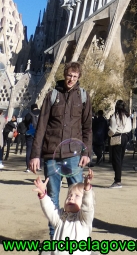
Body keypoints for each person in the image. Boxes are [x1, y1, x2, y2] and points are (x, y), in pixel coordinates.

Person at [29, 62, 92, 237]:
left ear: (78, 77)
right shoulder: (52, 95)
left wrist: (86, 152)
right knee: (52, 199)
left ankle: (78, 237)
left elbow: (87, 127)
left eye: (75, 76)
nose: (71, 79)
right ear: (64, 75)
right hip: (52, 154)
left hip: (74, 154)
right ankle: (54, 238)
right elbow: (41, 126)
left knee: (78, 195)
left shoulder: (83, 97)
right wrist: (35, 155)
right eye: (69, 75)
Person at [34, 168, 94, 251]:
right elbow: (50, 209)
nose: (71, 198)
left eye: (77, 196)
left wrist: (87, 189)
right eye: (69, 195)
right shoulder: (60, 218)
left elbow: (87, 207)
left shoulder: (84, 220)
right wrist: (43, 195)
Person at [108, 99, 131, 188]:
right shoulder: (127, 116)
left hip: (117, 137)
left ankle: (117, 181)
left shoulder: (115, 116)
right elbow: (129, 128)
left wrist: (108, 134)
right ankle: (117, 179)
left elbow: (112, 130)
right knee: (120, 159)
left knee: (116, 159)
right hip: (125, 137)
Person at [24, 103, 41, 172]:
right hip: (39, 134)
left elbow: (25, 123)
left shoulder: (29, 114)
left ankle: (28, 167)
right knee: (39, 149)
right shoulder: (42, 113)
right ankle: (39, 166)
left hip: (30, 134)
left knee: (29, 150)